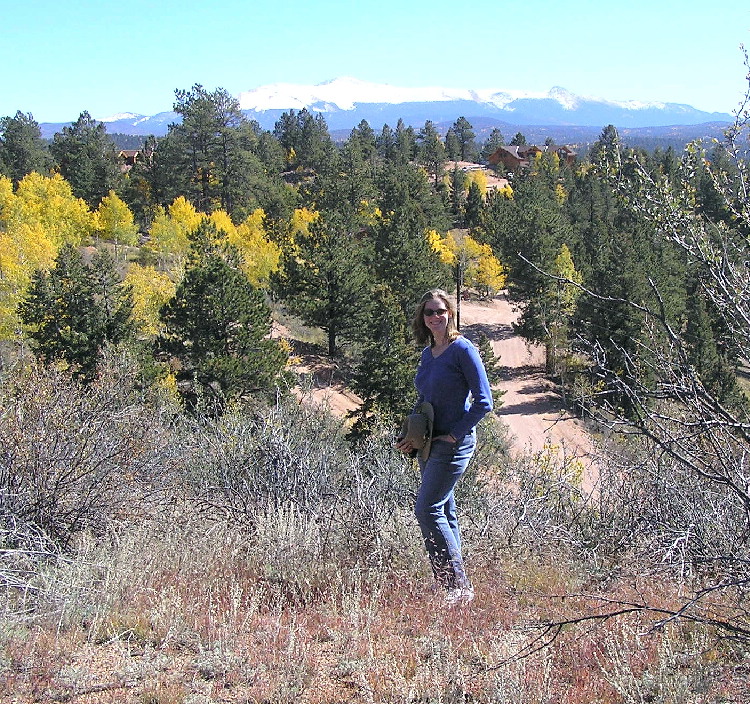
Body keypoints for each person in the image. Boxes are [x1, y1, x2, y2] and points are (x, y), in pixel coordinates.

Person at [396, 289, 493, 604]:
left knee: (427, 509)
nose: (435, 317)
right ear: (422, 318)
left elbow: (484, 402)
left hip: (453, 444)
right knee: (444, 512)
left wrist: (454, 434)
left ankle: (455, 586)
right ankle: (455, 586)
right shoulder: (429, 354)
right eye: (429, 312)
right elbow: (424, 398)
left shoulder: (462, 349)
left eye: (440, 311)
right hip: (428, 443)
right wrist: (410, 434)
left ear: (450, 313)